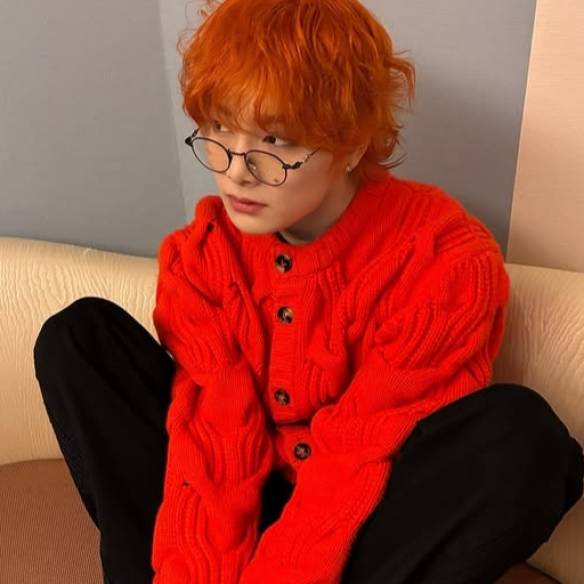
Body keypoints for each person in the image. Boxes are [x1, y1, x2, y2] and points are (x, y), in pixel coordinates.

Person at [32, 0, 584, 583]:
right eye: (218, 127)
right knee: (78, 337)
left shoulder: (444, 257)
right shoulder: (202, 255)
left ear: (352, 145)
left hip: (369, 513)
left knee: (526, 440)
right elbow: (216, 437)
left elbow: (360, 448)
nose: (237, 170)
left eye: (274, 140)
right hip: (247, 483)